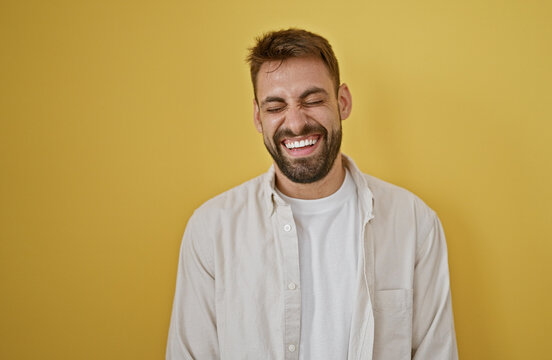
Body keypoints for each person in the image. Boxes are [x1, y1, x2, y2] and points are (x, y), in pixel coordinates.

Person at [167, 28, 458, 360]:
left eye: (313, 100)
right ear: (258, 117)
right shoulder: (211, 229)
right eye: (275, 106)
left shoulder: (415, 223)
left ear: (342, 102)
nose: (296, 122)